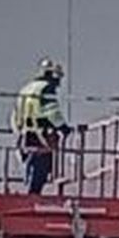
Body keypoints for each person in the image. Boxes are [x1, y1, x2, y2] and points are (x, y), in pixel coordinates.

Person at [12, 57, 71, 195]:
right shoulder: (46, 88)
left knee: (31, 165)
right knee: (42, 166)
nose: (58, 83)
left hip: (25, 135)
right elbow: (52, 112)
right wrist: (64, 128)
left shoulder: (25, 89)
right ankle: (33, 194)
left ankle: (30, 192)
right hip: (41, 136)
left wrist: (20, 132)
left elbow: (14, 116)